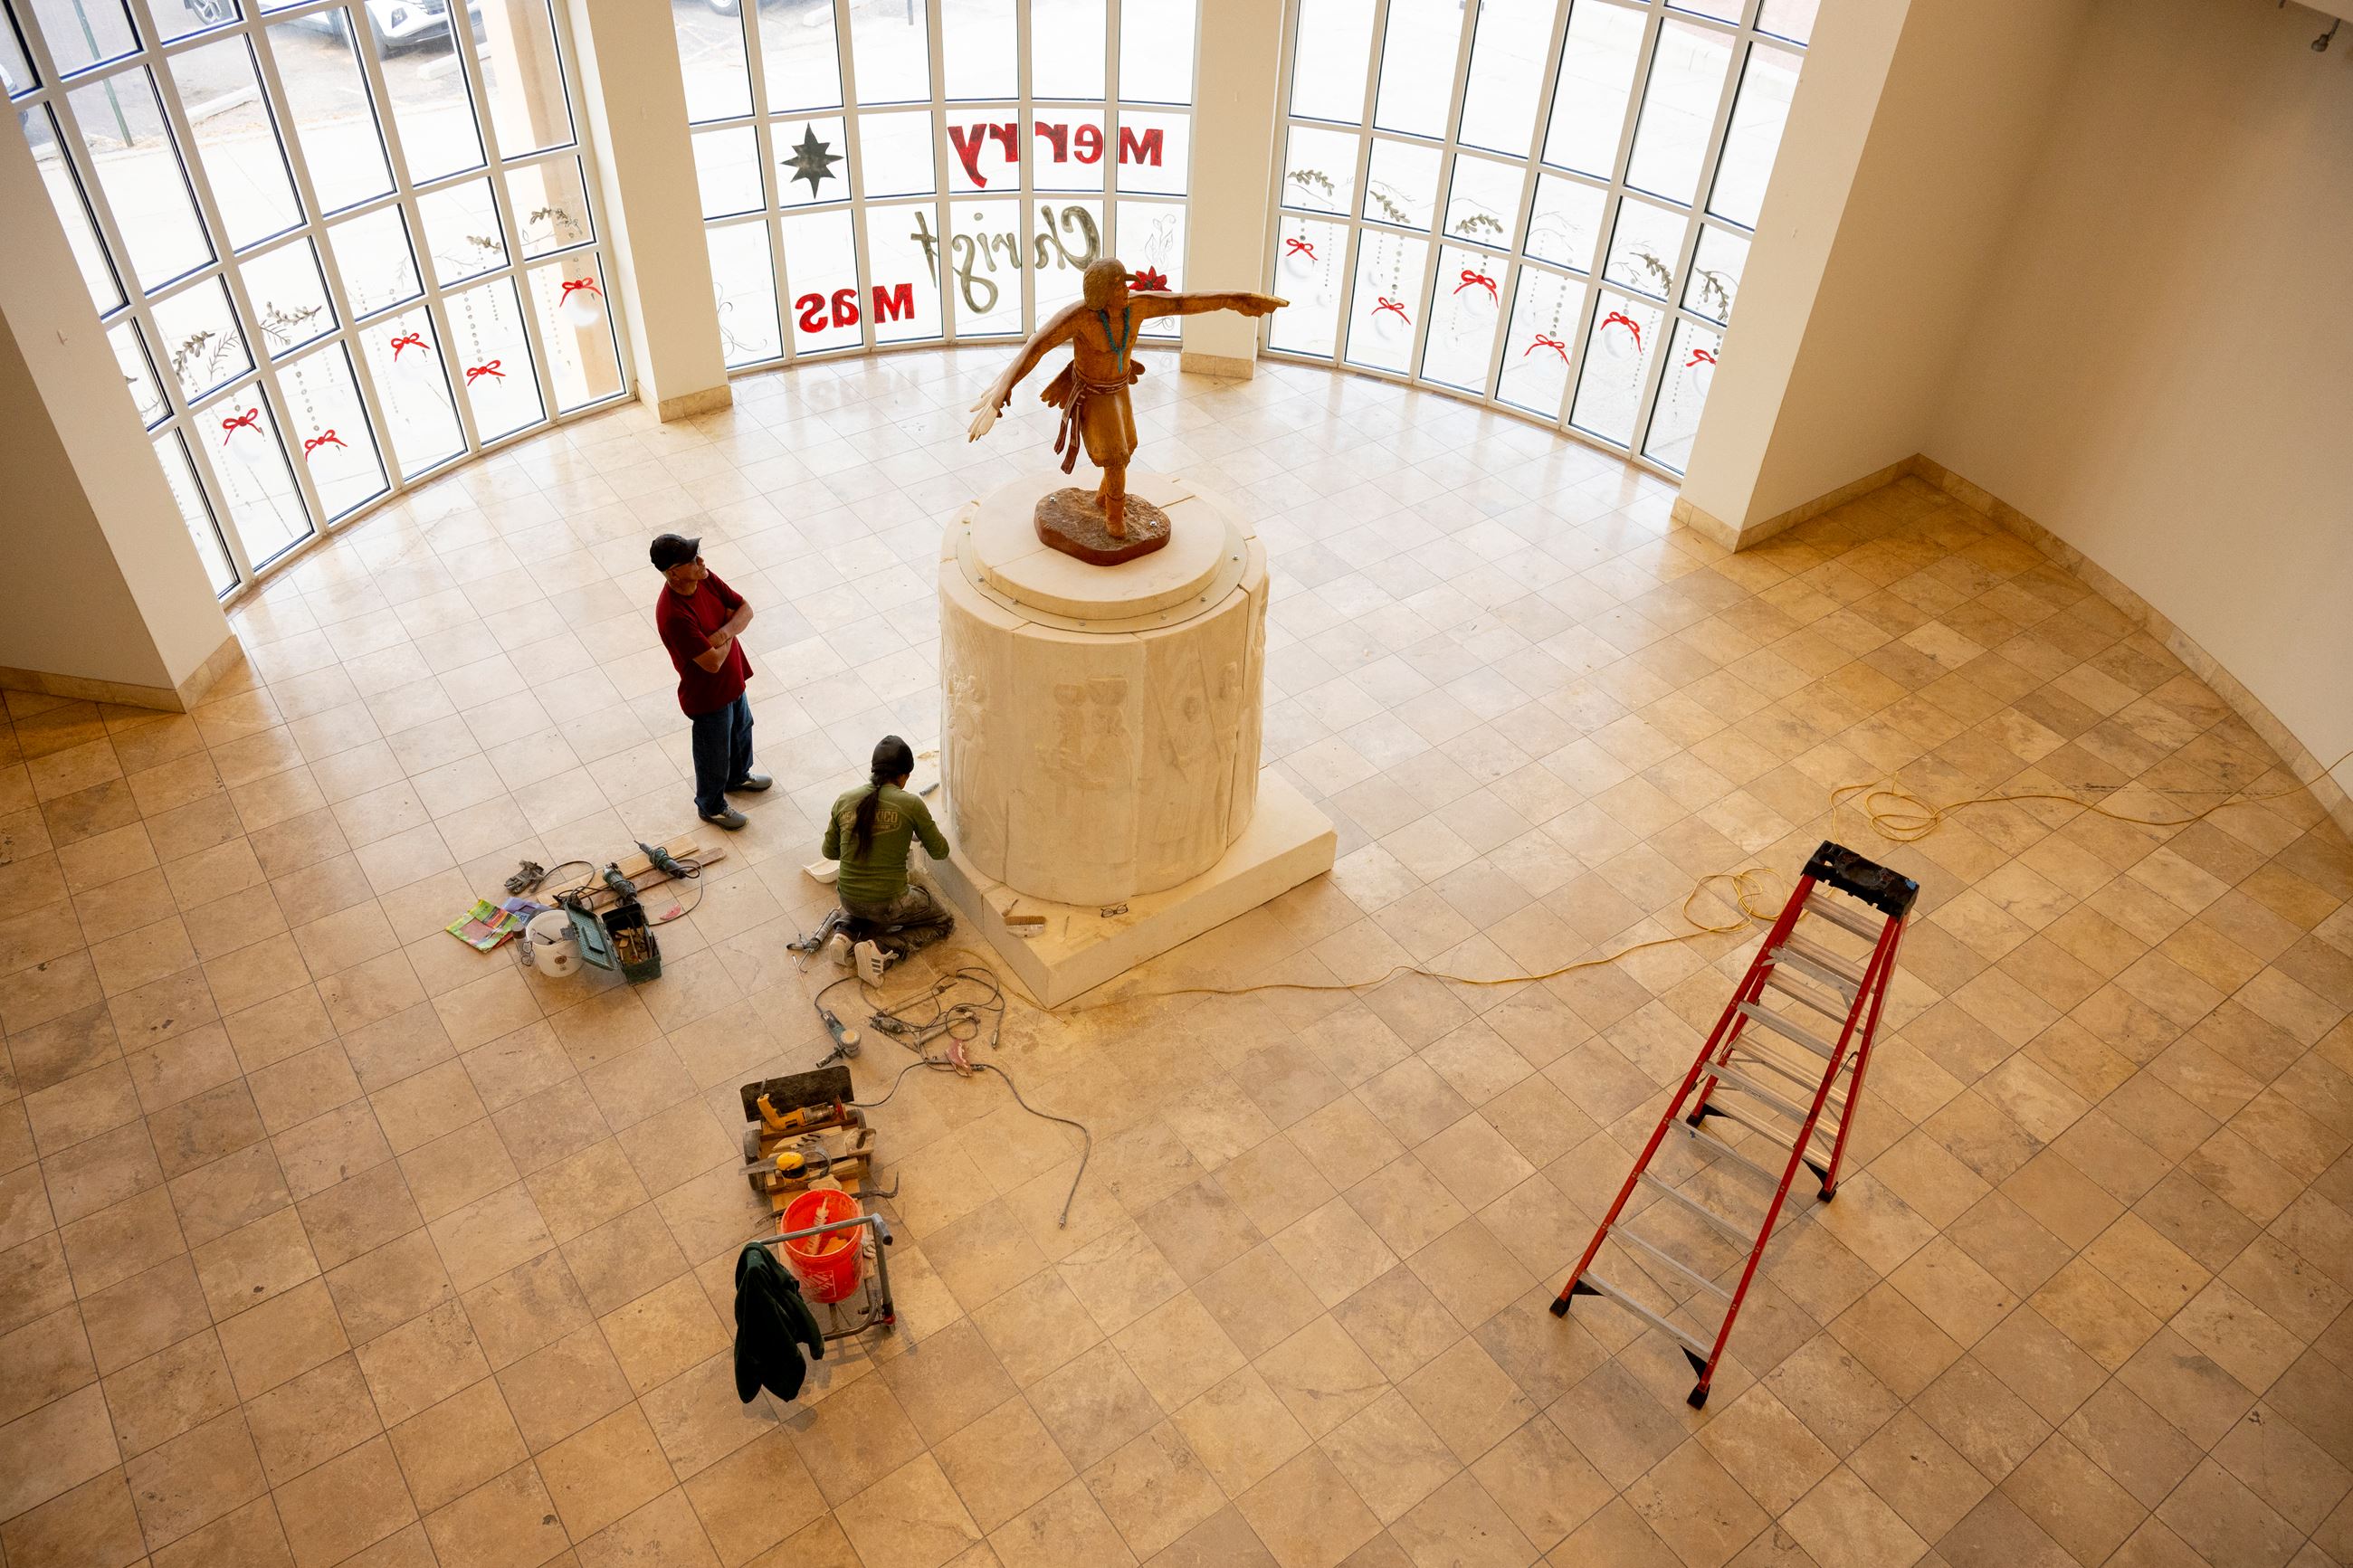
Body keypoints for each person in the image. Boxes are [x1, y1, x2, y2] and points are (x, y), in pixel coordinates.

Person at [967, 258, 1285, 538]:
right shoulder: (1078, 317)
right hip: (1092, 393)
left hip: (1119, 386)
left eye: (1126, 286)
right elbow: (1035, 347)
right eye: (1119, 288)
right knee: (1116, 455)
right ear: (1102, 293)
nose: (1126, 293)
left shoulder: (1138, 306)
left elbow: (1182, 303)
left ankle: (1105, 498)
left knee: (1127, 447)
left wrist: (1236, 300)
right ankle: (1115, 520)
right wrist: (1001, 391)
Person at [651, 532, 770, 830]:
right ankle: (711, 805)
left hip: (734, 678)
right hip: (707, 695)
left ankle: (738, 776)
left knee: (742, 729)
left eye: (698, 553)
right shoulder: (674, 616)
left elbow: (746, 610)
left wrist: (719, 634)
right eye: (692, 559)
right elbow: (712, 662)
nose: (701, 561)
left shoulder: (704, 577)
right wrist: (730, 627)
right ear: (673, 572)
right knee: (713, 752)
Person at [823, 736, 953, 982]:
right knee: (942, 921)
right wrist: (915, 831)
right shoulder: (910, 803)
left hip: (848, 898)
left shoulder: (844, 799)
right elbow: (940, 851)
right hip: (888, 903)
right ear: (903, 776)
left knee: (866, 905)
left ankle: (845, 934)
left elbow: (830, 852)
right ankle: (880, 948)